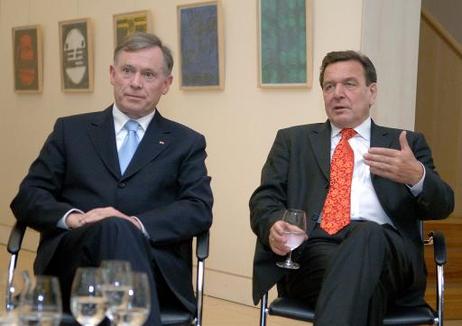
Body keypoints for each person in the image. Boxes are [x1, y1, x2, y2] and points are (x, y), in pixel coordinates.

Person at [11, 32, 213, 325]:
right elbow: (28, 196)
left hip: (153, 270)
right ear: (112, 74)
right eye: (128, 70)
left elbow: (198, 208)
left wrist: (134, 225)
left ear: (166, 84)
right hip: (73, 266)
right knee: (112, 229)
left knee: (118, 229)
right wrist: (74, 219)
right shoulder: (71, 131)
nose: (135, 82)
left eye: (148, 74)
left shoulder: (186, 142)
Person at [250, 50, 454, 326]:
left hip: (391, 254)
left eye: (349, 84)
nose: (337, 93)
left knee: (368, 233)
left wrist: (416, 176)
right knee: (366, 286)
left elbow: (444, 205)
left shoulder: (405, 143)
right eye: (329, 86)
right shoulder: (292, 141)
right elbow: (265, 199)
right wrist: (273, 224)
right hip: (313, 254)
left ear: (372, 92)